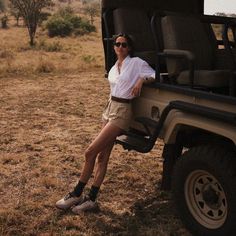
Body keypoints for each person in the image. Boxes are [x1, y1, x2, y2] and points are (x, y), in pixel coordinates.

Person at [56, 33, 156, 214]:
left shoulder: (136, 63)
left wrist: (141, 79)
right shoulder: (113, 68)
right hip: (109, 108)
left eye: (124, 45)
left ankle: (77, 193)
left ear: (129, 48)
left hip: (122, 111)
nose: (120, 47)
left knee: (90, 152)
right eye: (117, 44)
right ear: (114, 47)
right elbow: (113, 90)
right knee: (102, 156)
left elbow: (154, 74)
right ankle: (92, 199)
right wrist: (105, 112)